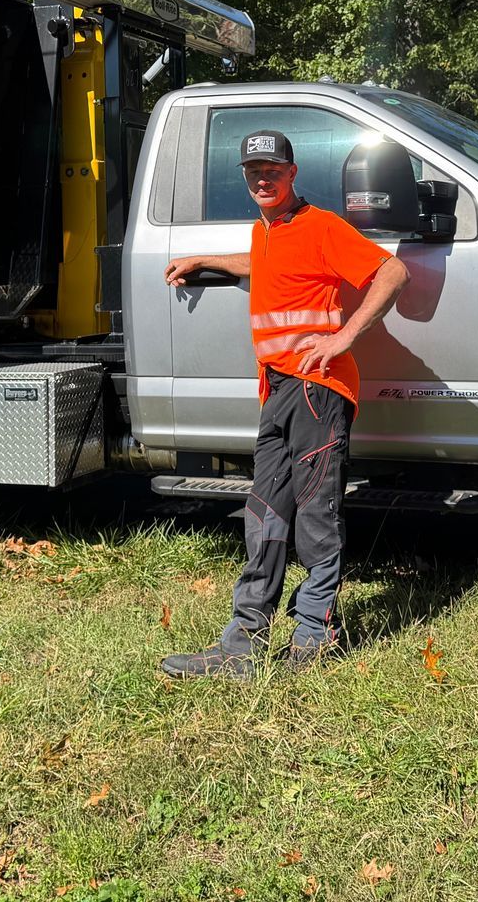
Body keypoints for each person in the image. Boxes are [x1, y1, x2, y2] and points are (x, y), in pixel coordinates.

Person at [159, 129, 409, 677]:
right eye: (253, 171)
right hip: (277, 389)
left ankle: (316, 636)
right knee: (265, 513)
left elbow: (392, 272)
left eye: (272, 169)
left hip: (318, 390)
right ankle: (242, 646)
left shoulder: (320, 226)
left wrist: (343, 338)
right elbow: (263, 264)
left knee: (315, 516)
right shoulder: (265, 232)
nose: (262, 178)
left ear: (293, 173)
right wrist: (209, 260)